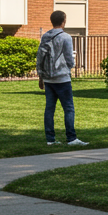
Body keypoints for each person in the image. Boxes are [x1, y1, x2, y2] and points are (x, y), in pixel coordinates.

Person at [37, 10, 86, 146]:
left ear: (52, 21)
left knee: (49, 109)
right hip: (62, 78)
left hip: (48, 78)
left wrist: (41, 76)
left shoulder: (45, 36)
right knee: (69, 108)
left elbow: (40, 56)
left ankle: (50, 139)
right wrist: (71, 66)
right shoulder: (66, 37)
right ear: (64, 21)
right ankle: (71, 138)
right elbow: (69, 57)